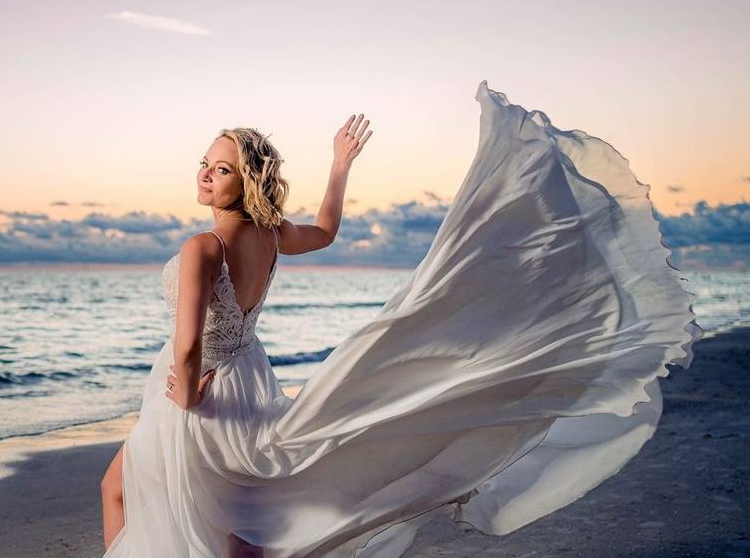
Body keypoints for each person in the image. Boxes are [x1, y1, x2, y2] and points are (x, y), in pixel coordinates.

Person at [99, 80, 704, 557]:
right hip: (248, 382)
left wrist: (180, 398)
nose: (206, 172)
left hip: (198, 392)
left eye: (222, 167)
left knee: (130, 492)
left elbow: (185, 348)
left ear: (247, 179)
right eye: (205, 161)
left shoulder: (201, 248)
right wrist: (340, 164)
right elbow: (329, 231)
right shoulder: (272, 235)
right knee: (239, 517)